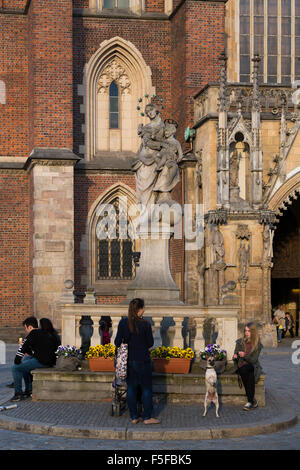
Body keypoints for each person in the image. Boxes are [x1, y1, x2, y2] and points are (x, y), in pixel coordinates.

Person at [114, 298, 160, 424]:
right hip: (143, 359)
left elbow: (117, 342)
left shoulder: (123, 322)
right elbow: (150, 343)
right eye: (142, 308)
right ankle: (147, 417)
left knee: (131, 388)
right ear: (139, 310)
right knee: (146, 389)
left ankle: (134, 416)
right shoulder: (145, 324)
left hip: (129, 360)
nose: (144, 310)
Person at [11, 317, 61, 402]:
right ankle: (29, 389)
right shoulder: (55, 335)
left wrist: (17, 360)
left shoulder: (35, 333)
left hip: (42, 362)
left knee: (15, 368)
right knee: (26, 360)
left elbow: (23, 347)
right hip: (52, 362)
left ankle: (18, 394)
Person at [233, 322, 263, 411]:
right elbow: (235, 354)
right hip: (241, 365)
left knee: (247, 369)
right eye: (245, 331)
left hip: (253, 366)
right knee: (246, 372)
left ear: (253, 332)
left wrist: (244, 355)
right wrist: (235, 356)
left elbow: (253, 360)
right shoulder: (239, 342)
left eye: (249, 331)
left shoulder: (258, 345)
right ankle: (251, 401)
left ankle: (250, 401)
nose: (246, 333)